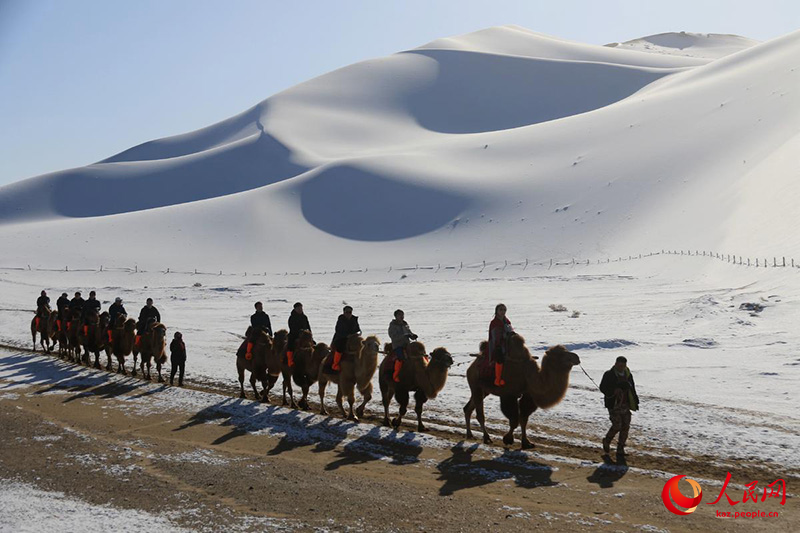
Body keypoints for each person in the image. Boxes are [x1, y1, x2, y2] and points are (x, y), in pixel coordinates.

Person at [599, 356, 640, 457]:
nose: (621, 367)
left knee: (625, 426)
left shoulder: (628, 374)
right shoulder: (609, 374)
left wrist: (635, 400)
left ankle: (620, 448)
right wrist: (614, 390)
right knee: (617, 425)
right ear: (616, 364)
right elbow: (603, 387)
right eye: (620, 365)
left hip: (626, 403)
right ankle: (607, 440)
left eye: (623, 365)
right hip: (614, 404)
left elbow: (632, 388)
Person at [388, 309, 418, 382]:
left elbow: (409, 332)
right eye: (400, 315)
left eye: (402, 315)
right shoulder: (393, 325)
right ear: (396, 316)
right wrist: (404, 335)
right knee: (401, 359)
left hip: (407, 345)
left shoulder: (405, 324)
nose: (402, 317)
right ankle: (397, 375)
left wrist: (412, 335)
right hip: (398, 346)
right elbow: (393, 336)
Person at [488, 303, 514, 386]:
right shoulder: (494, 322)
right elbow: (495, 336)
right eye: (501, 310)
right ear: (496, 311)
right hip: (497, 344)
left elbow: (510, 331)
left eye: (504, 310)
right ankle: (498, 379)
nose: (503, 312)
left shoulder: (507, 321)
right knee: (499, 357)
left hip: (507, 343)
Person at [330, 306, 361, 371]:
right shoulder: (341, 320)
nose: (348, 314)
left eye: (350, 312)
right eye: (347, 312)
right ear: (344, 312)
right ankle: (335, 364)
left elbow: (358, 329)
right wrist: (346, 335)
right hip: (341, 338)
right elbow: (338, 330)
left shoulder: (354, 319)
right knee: (340, 348)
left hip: (353, 338)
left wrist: (358, 333)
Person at [286, 302, 311, 368]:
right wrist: (299, 332)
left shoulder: (304, 317)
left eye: (301, 308)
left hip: (305, 336)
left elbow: (308, 326)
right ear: (295, 309)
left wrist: (310, 334)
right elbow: (292, 327)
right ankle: (290, 361)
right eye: (299, 308)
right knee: (290, 346)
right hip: (294, 335)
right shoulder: (292, 317)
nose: (300, 309)